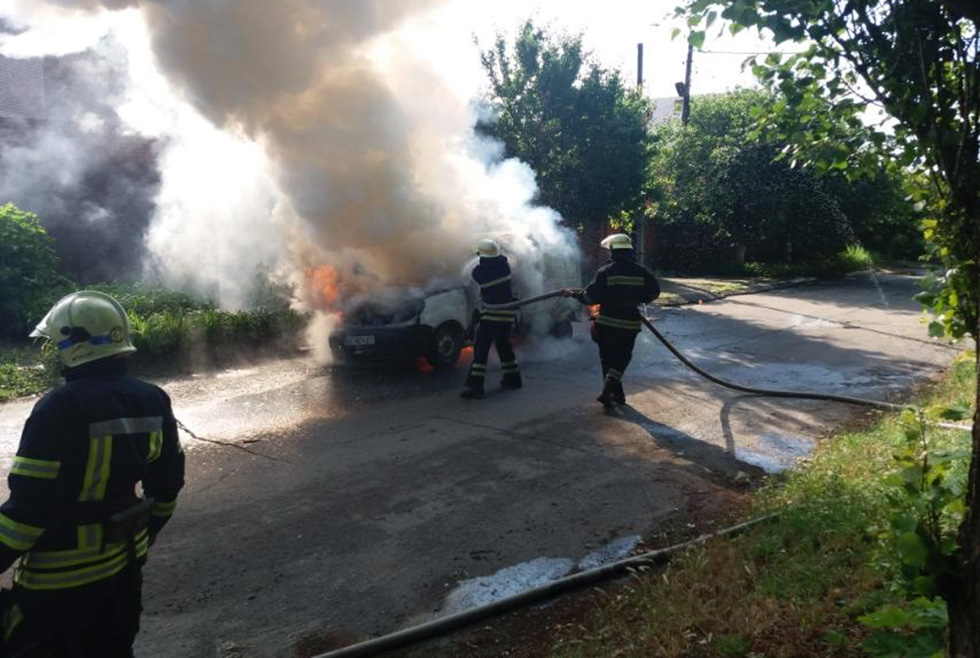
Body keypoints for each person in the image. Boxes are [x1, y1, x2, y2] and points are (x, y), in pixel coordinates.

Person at [0, 290, 185, 657]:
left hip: (56, 593)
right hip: (123, 579)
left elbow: (27, 514)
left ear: (73, 346)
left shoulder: (58, 408)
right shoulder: (153, 399)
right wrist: (142, 539)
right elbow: (167, 488)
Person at [564, 233, 660, 407]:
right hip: (629, 323)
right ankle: (616, 395)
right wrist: (638, 298)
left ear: (614, 252)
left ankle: (609, 392)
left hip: (607, 323)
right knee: (622, 358)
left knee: (607, 360)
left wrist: (573, 295)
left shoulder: (606, 271)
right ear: (630, 252)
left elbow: (590, 296)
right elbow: (654, 292)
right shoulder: (641, 271)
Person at [460, 238, 522, 399]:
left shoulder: (480, 272)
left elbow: (474, 277)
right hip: (506, 314)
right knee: (503, 345)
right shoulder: (504, 266)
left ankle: (475, 386)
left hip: (492, 314)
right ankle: (513, 378)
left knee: (481, 349)